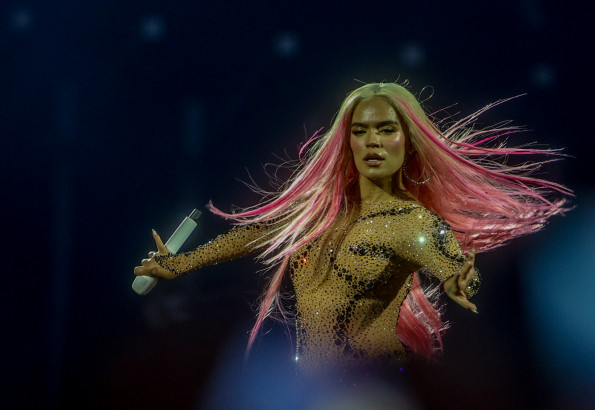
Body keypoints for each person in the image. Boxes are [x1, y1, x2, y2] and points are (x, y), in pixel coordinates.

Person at [133, 82, 569, 377]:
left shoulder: (414, 225)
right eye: (360, 131)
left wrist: (462, 280)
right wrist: (178, 263)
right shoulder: (318, 216)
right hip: (311, 391)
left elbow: (456, 270)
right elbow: (248, 236)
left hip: (373, 394)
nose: (373, 142)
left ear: (408, 140)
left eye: (386, 129)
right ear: (348, 141)